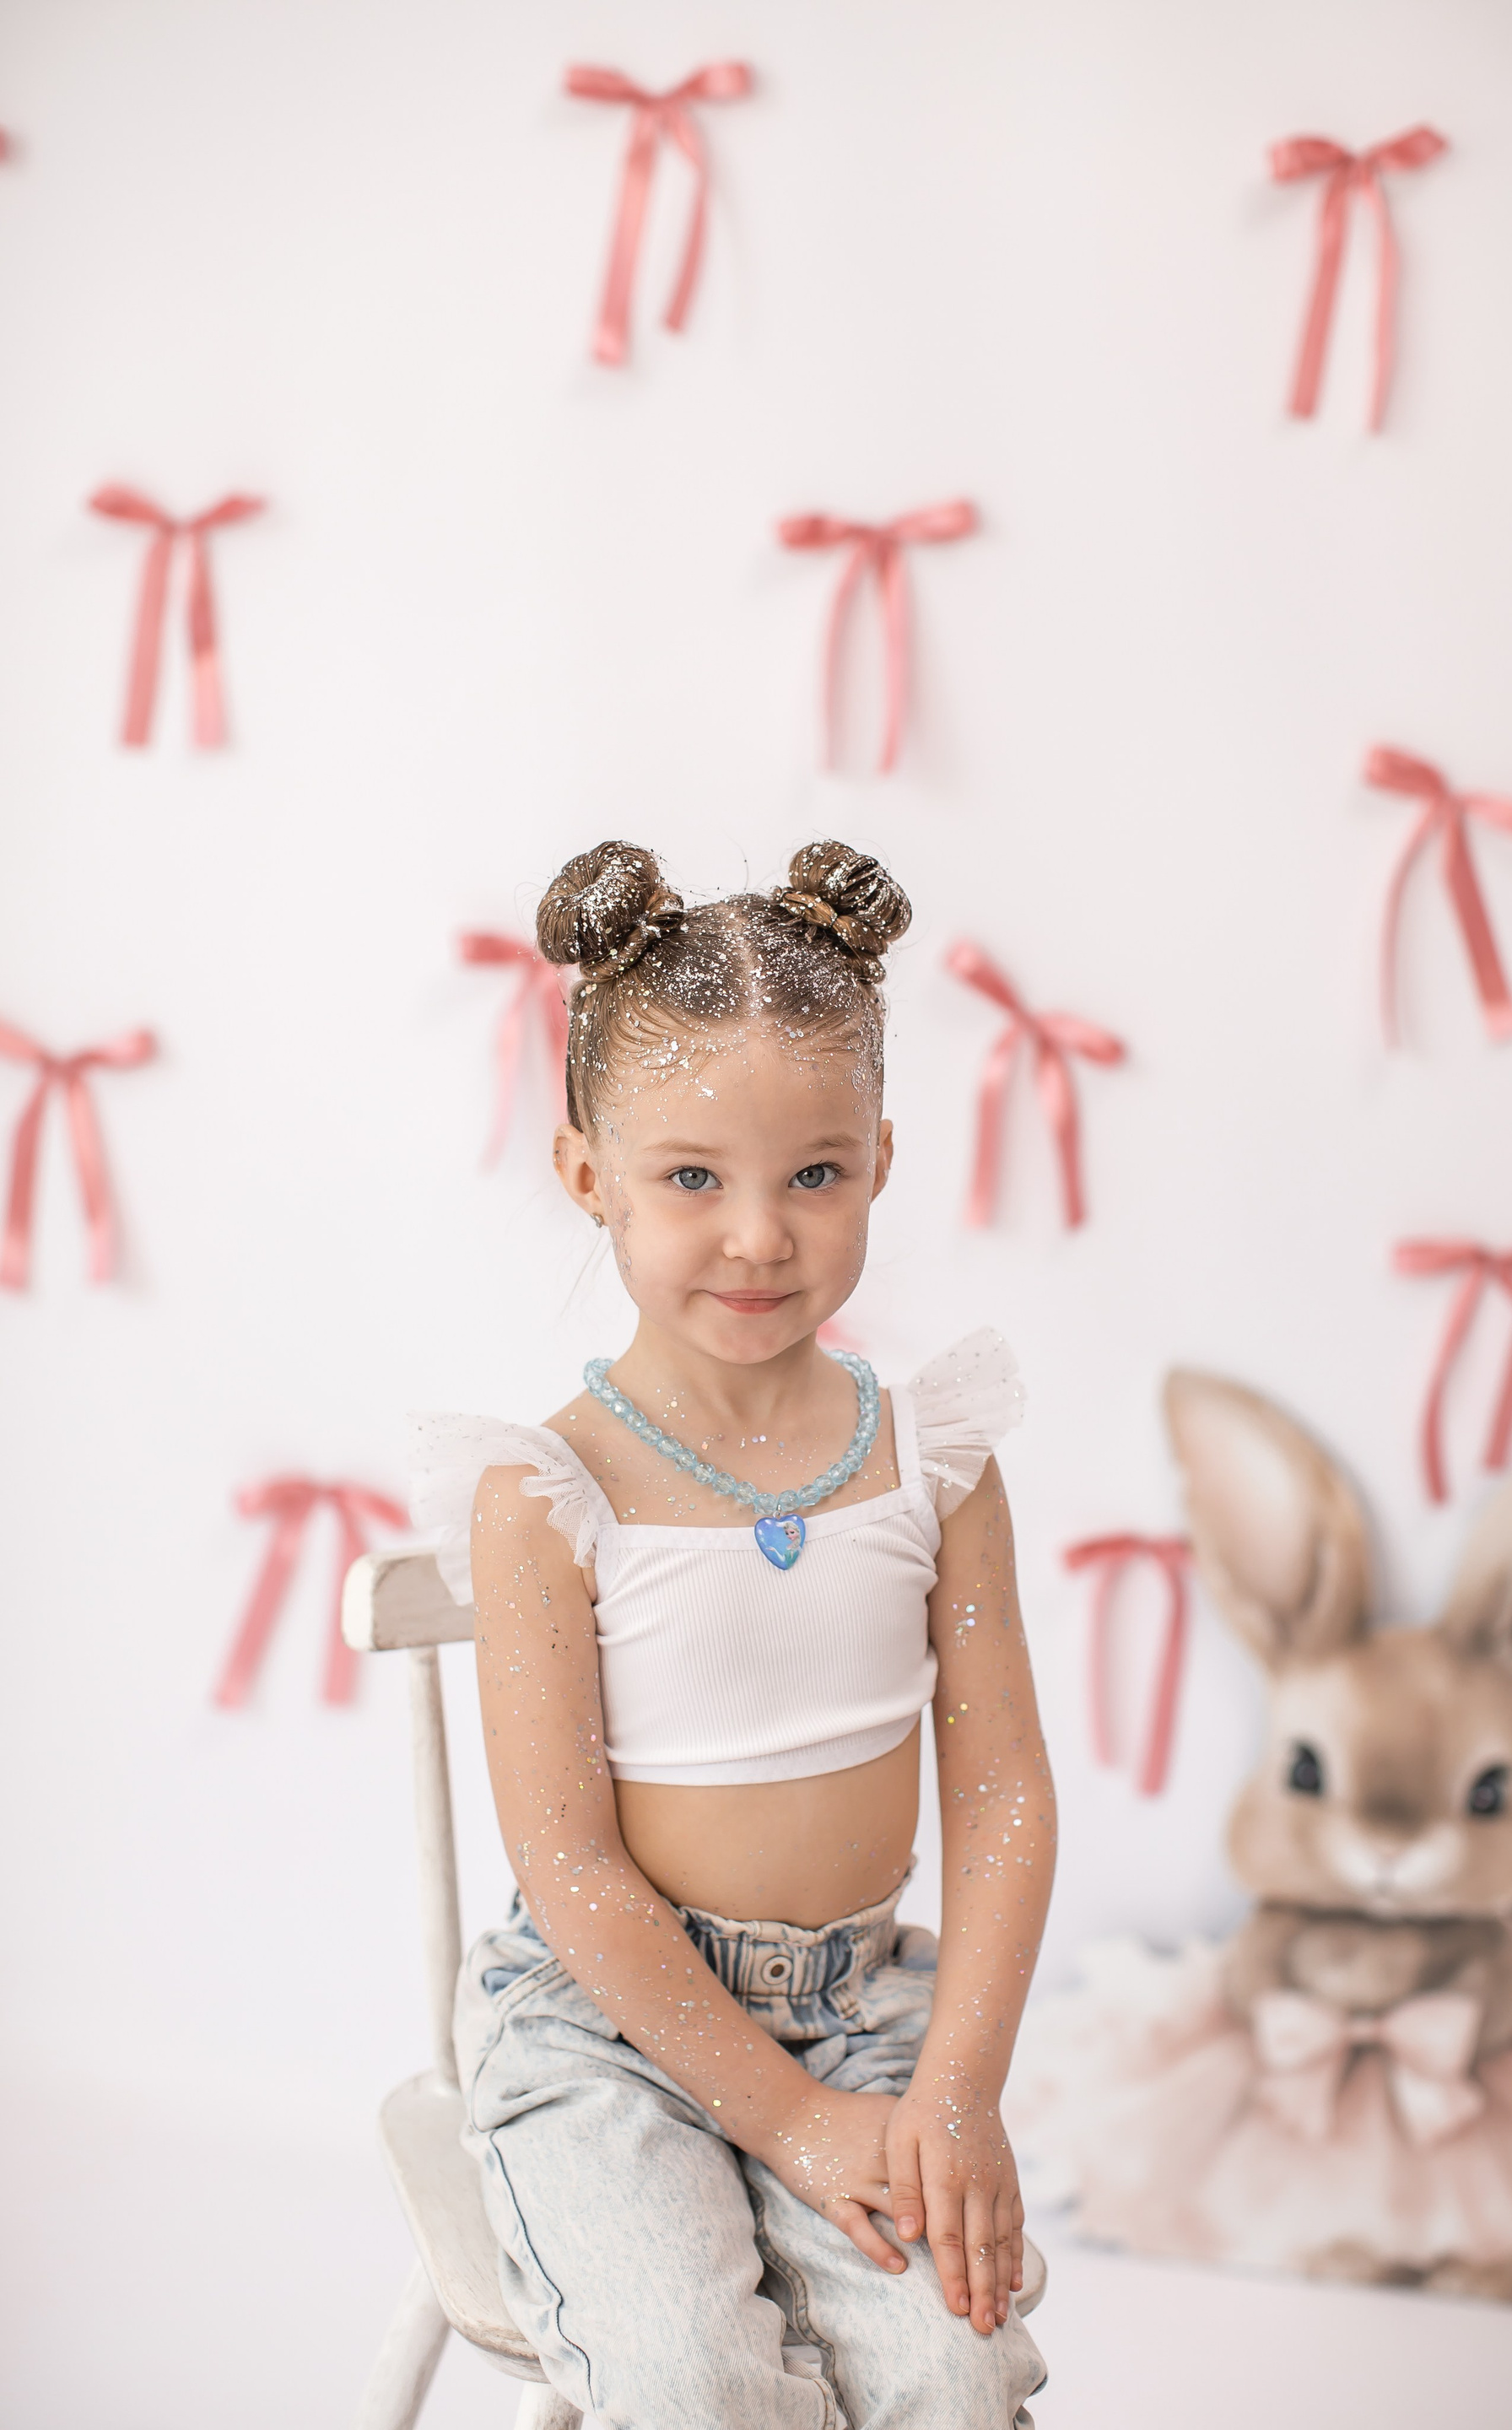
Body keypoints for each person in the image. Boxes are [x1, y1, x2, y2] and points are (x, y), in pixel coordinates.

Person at [410, 838, 1054, 2428]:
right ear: (590, 1178)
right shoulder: (549, 1496)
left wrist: (955, 2086)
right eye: (693, 1179)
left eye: (813, 1175)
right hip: (610, 2023)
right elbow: (569, 1866)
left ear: (881, 1160)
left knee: (955, 2371)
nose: (760, 1237)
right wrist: (787, 2121)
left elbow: (1001, 1793)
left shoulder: (933, 1459)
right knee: (695, 2377)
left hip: (868, 2010)